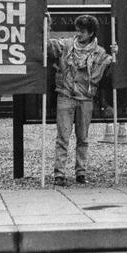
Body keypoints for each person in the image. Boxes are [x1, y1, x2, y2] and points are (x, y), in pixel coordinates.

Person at [48, 14, 113, 186]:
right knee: (62, 136)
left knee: (83, 137)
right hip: (66, 95)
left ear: (91, 33)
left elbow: (112, 70)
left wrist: (116, 54)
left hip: (86, 98)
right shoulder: (66, 45)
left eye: (82, 31)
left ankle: (81, 172)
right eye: (77, 30)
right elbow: (49, 46)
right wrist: (45, 27)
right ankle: (59, 174)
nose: (78, 34)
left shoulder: (100, 53)